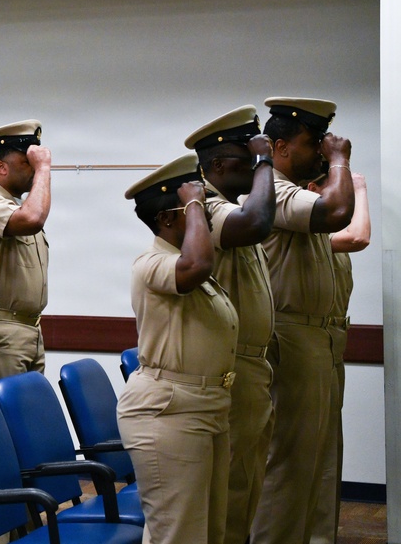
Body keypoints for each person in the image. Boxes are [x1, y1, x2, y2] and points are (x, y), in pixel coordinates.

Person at [118, 153, 238, 544]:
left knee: (209, 531)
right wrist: (196, 203)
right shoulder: (152, 263)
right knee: (180, 534)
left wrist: (194, 206)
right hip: (168, 413)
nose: (204, 218)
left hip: (206, 406)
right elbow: (198, 263)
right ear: (169, 219)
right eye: (193, 211)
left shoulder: (187, 266)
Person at [250, 97, 354, 543]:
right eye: (313, 143)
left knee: (322, 461)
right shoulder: (273, 191)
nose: (321, 151)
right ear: (279, 148)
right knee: (290, 464)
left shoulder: (297, 190)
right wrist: (341, 162)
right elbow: (338, 213)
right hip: (290, 338)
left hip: (321, 338)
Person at [184, 105, 276, 544]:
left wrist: (258, 164)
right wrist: (268, 163)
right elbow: (256, 222)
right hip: (229, 371)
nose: (256, 162)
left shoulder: (228, 207)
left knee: (247, 486)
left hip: (252, 368)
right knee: (231, 492)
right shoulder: (205, 208)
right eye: (248, 156)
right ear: (218, 165)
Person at [309, 170, 370, 544]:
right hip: (305, 344)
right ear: (314, 190)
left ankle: (320, 536)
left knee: (329, 453)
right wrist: (359, 188)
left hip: (331, 341)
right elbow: (359, 235)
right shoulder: (306, 230)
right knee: (301, 458)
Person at [0, 120, 51, 391]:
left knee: (28, 425)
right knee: (3, 426)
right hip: (2, 335)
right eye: (26, 161)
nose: (33, 168)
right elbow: (32, 219)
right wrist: (44, 167)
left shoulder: (18, 206)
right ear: (1, 168)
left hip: (31, 331)